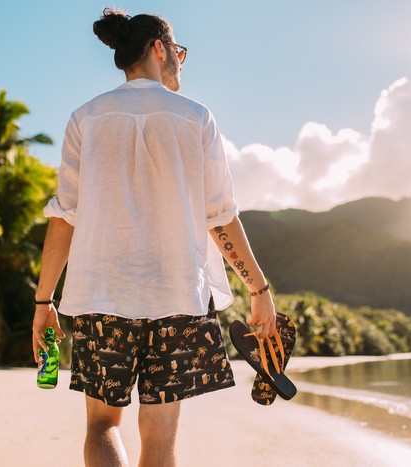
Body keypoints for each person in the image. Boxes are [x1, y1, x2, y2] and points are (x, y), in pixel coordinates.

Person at [32, 8, 275, 467]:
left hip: (100, 295)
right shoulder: (197, 118)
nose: (181, 61)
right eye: (178, 51)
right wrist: (259, 290)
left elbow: (64, 218)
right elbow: (220, 217)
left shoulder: (85, 117)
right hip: (179, 296)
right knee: (160, 438)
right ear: (160, 49)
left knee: (102, 426)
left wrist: (43, 302)